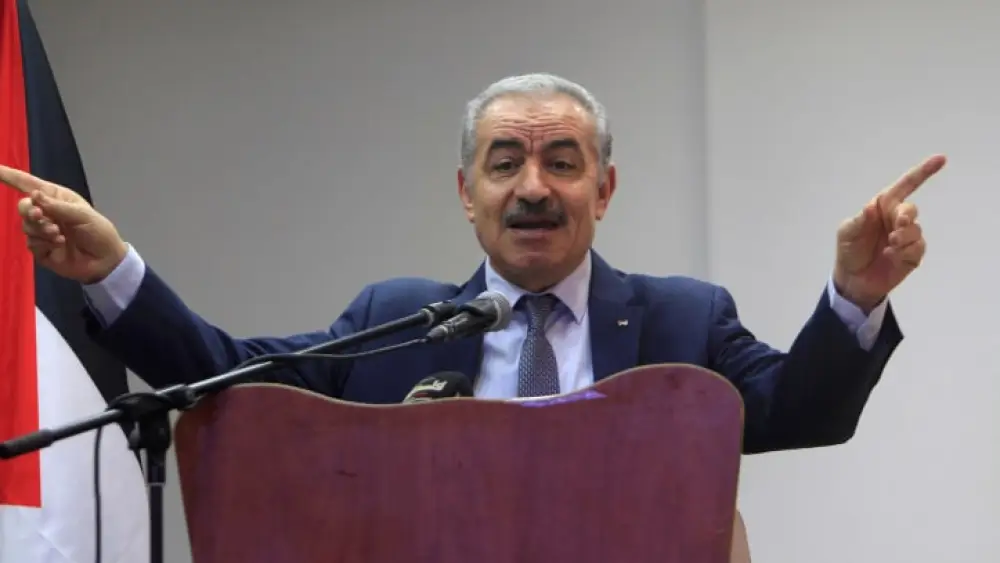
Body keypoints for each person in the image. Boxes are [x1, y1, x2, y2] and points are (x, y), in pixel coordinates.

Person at [2, 73, 940, 455]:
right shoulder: (397, 321)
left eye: (561, 162)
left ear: (605, 189)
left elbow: (801, 412)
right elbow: (227, 374)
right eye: (505, 164)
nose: (533, 187)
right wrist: (112, 268)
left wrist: (854, 296)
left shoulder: (683, 322)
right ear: (466, 192)